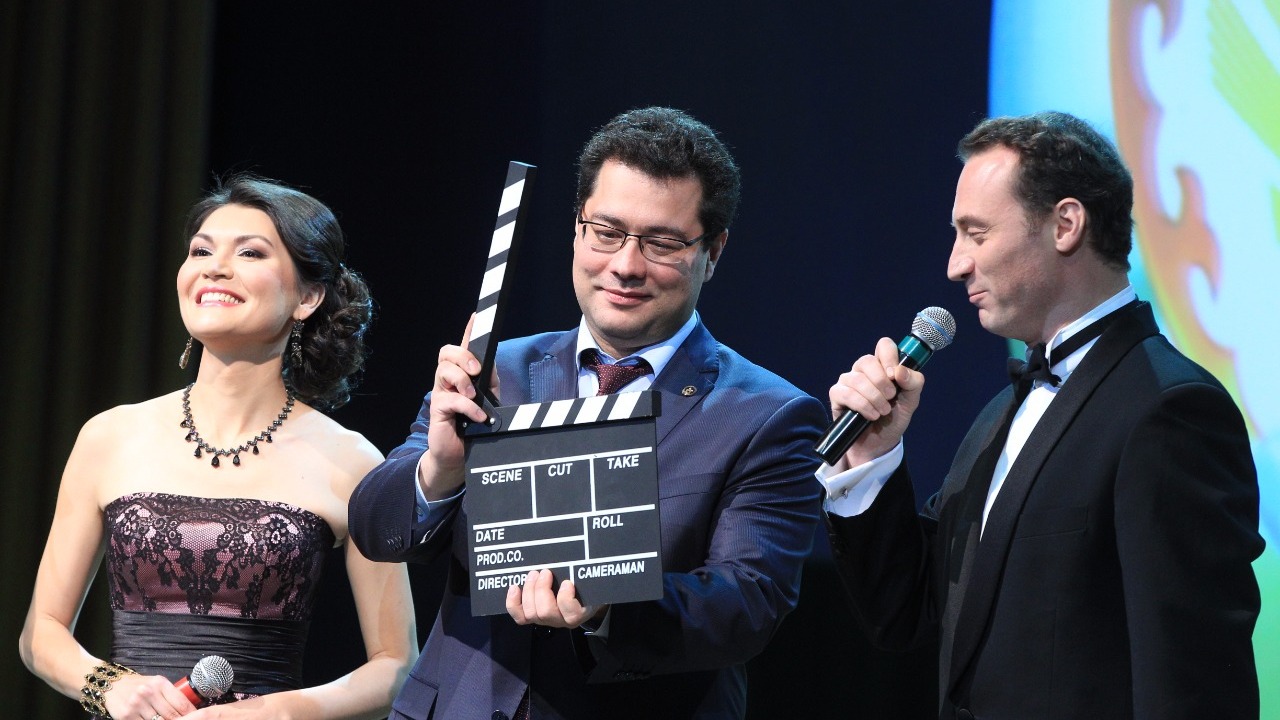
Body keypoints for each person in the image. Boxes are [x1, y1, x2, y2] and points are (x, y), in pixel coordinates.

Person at [348, 107, 827, 720]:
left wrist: (607, 605)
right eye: (607, 231)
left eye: (663, 243)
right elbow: (376, 529)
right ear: (577, 230)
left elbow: (747, 605)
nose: (626, 265)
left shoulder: (768, 414)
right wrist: (440, 468)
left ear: (713, 252)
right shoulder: (498, 370)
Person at [819, 111, 1264, 719]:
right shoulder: (997, 416)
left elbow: (1193, 681)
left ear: (1065, 225)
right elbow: (906, 614)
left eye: (976, 234)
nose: (955, 265)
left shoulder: (1171, 411)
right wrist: (870, 457)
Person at [19, 175, 417, 719]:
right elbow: (41, 633)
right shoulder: (109, 436)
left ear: (307, 297)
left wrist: (277, 713)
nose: (214, 267)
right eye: (201, 251)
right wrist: (108, 686)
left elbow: (396, 664)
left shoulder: (353, 462)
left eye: (250, 253)